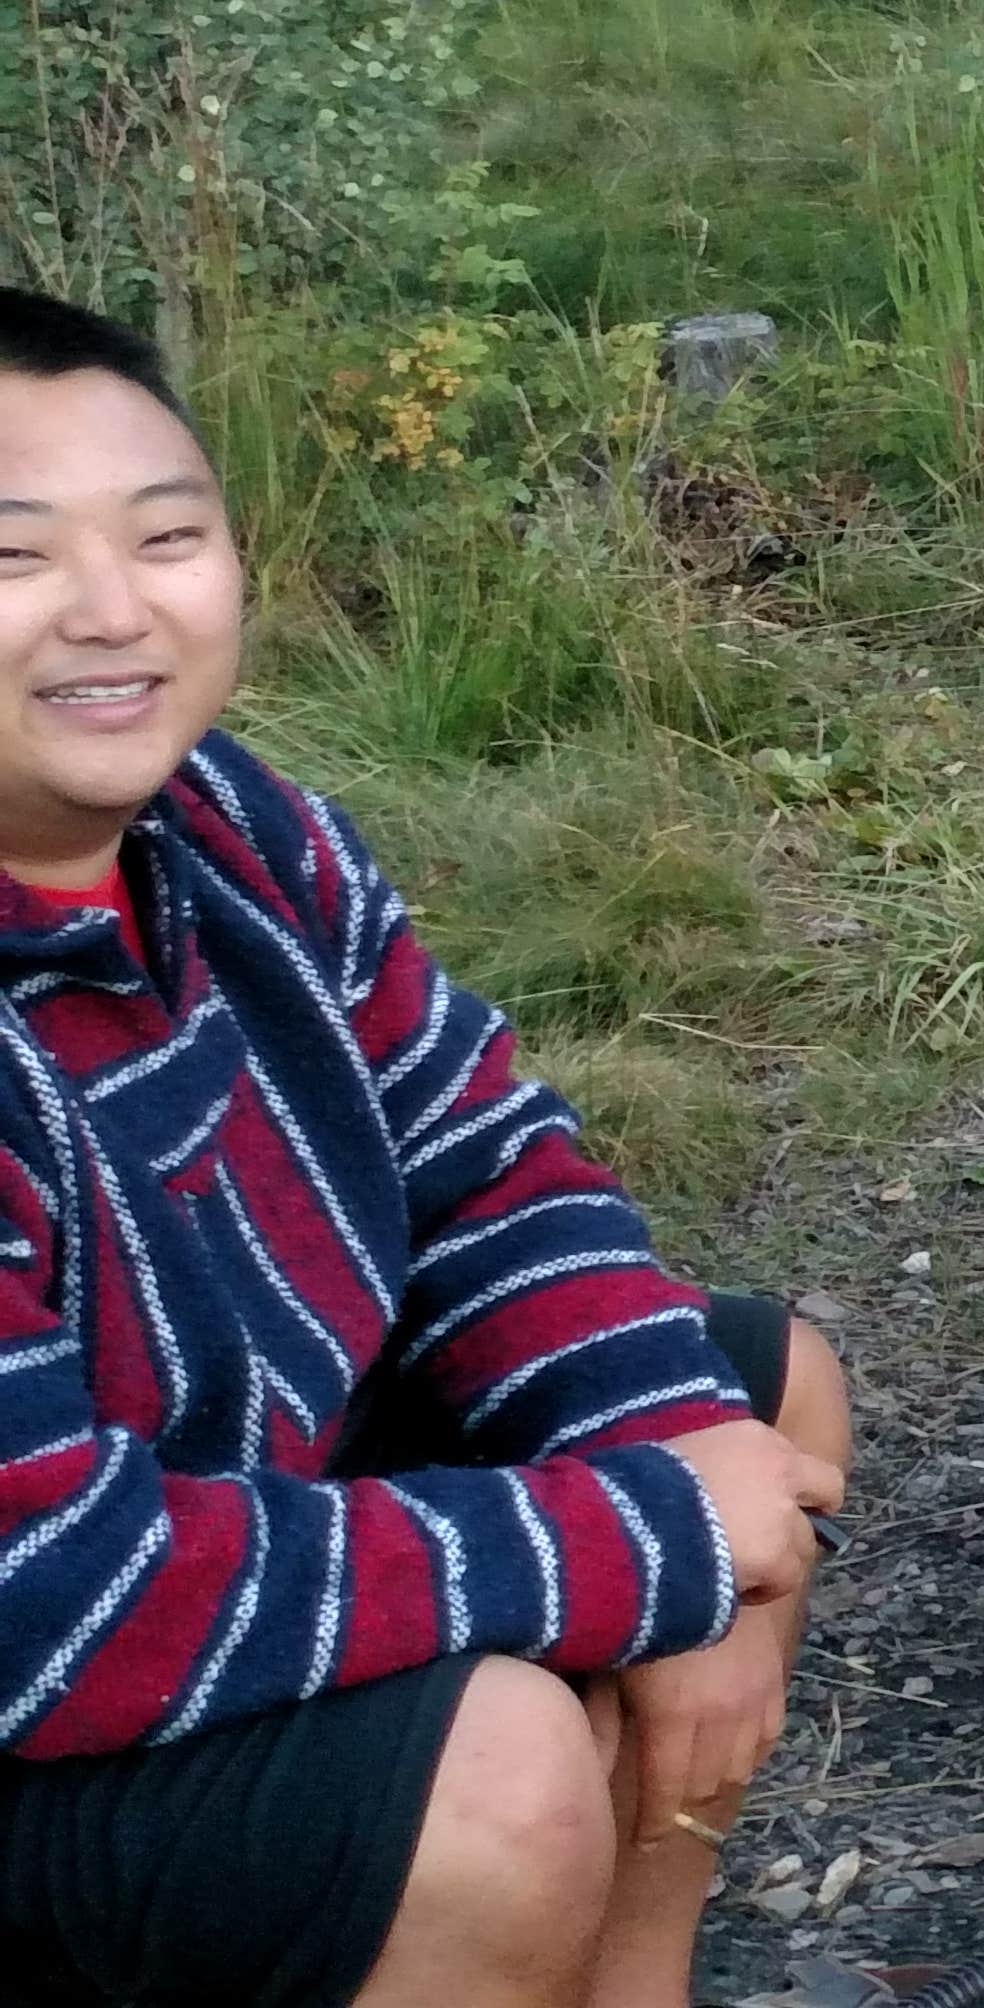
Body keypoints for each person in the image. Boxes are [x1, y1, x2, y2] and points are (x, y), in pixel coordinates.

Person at [0, 288, 851, 2008]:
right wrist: (649, 1547)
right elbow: (50, 1596)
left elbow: (483, 1175)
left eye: (166, 536)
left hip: (230, 1521)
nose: (111, 612)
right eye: (14, 560)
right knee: (496, 1770)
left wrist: (677, 1473)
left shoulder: (237, 835)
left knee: (757, 1393)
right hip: (45, 1673)